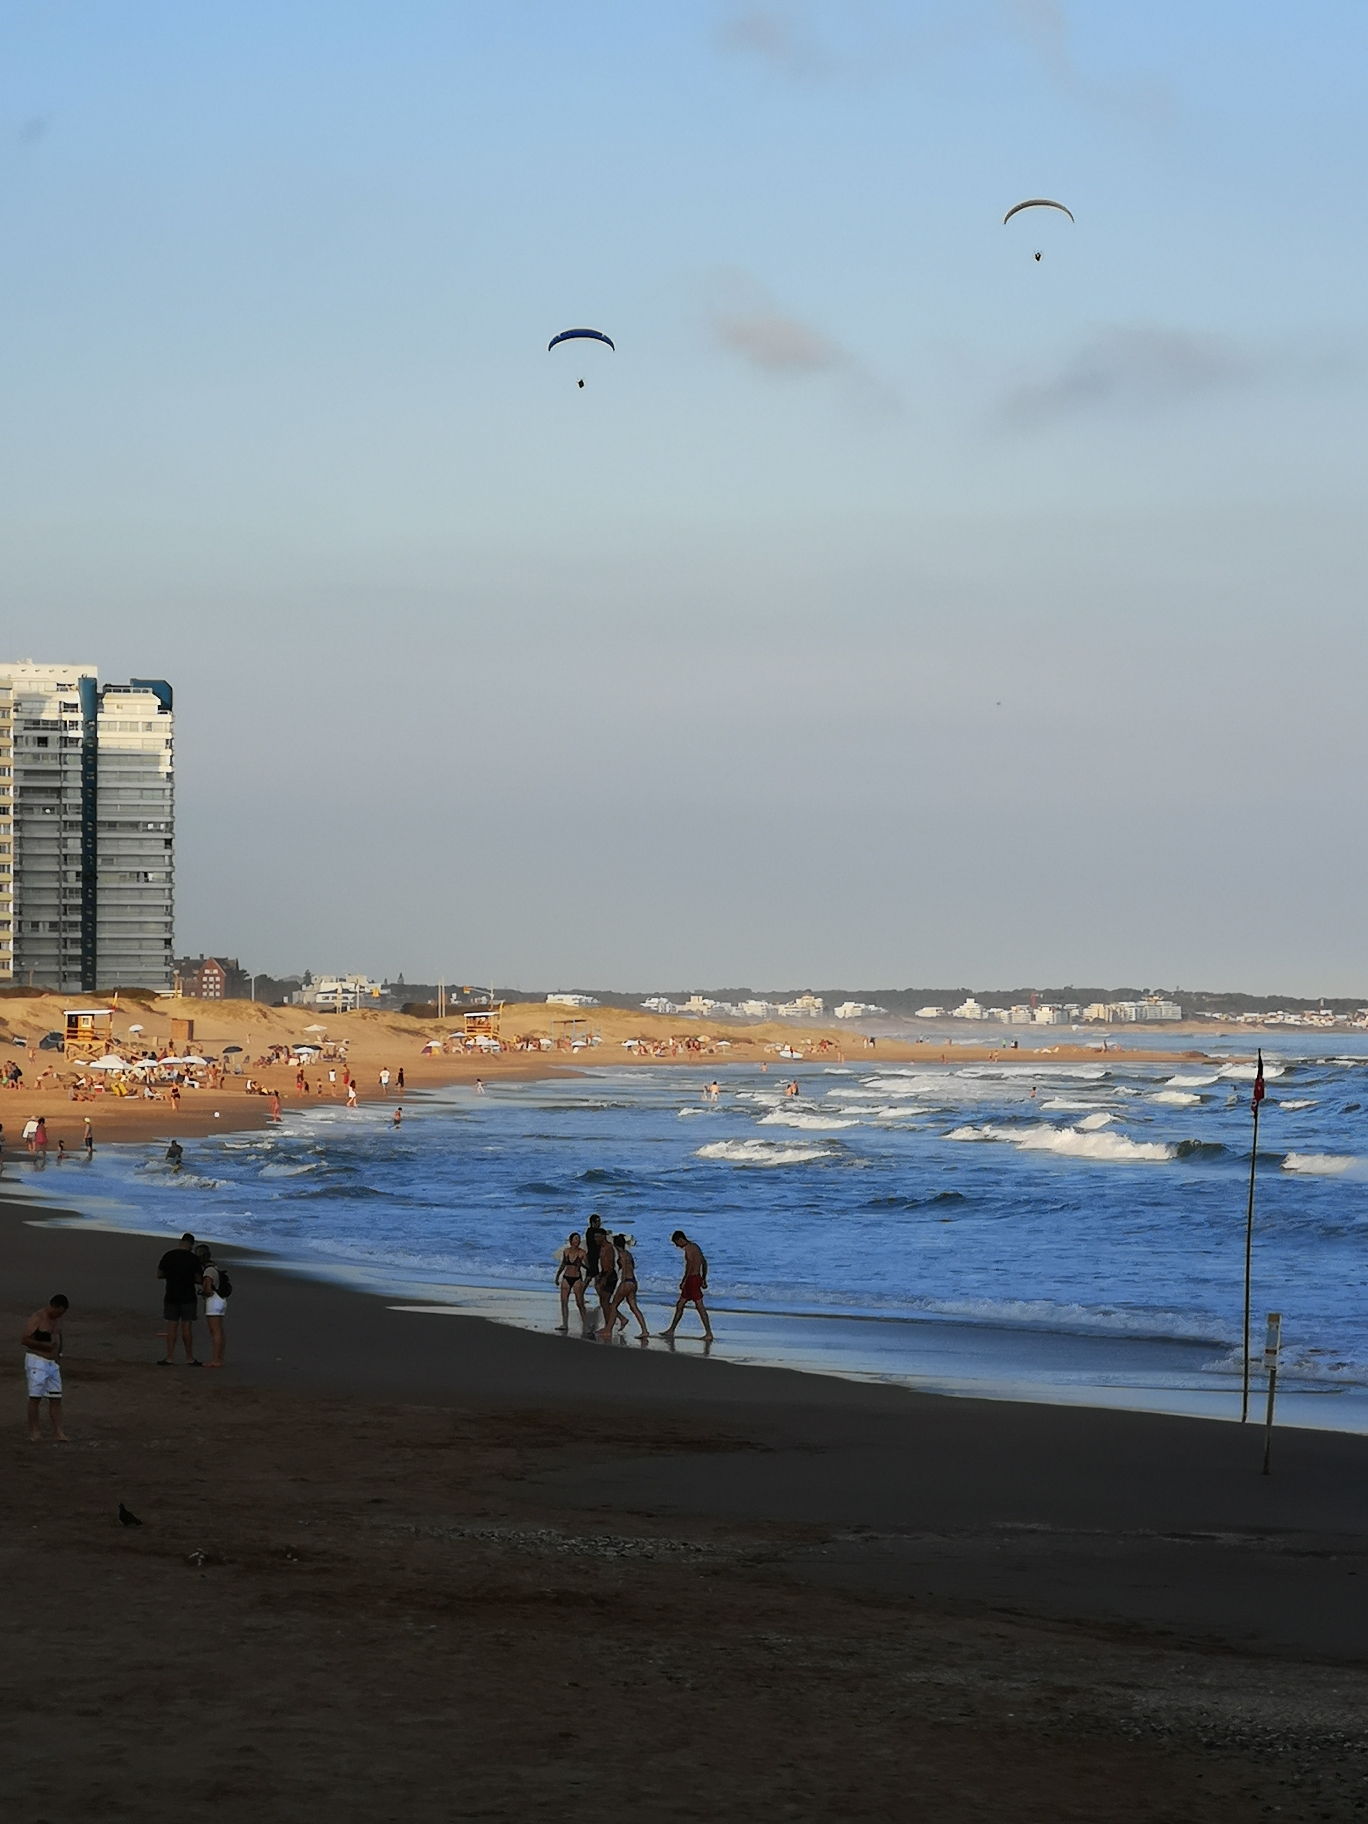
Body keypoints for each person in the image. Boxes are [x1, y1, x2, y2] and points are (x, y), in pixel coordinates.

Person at [23, 1295, 69, 1441]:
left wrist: (59, 1355)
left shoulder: (57, 1320)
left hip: (52, 1364)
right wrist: (44, 1346)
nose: (59, 1316)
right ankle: (34, 1431)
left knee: (56, 1399)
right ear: (53, 1307)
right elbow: (25, 1339)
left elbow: (59, 1338)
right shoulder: (38, 1318)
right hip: (37, 1361)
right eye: (58, 1312)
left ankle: (58, 1432)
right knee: (35, 1398)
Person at [157, 1232, 201, 1365]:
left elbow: (159, 1274)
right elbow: (198, 1278)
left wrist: (171, 1276)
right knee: (187, 1328)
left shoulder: (168, 1255)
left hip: (171, 1294)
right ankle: (189, 1357)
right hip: (188, 1296)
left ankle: (170, 1357)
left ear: (181, 1242)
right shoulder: (193, 1259)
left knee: (171, 1327)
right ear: (191, 1245)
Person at [662, 1230, 712, 1340]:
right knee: (680, 1304)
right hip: (697, 1278)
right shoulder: (695, 1246)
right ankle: (671, 1330)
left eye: (676, 1243)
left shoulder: (688, 1249)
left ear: (680, 1240)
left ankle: (709, 1333)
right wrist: (704, 1278)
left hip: (692, 1280)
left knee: (699, 1306)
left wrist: (684, 1280)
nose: (677, 1246)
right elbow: (704, 1262)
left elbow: (689, 1266)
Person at [604, 1234, 649, 1340]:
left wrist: (621, 1283)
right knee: (634, 1307)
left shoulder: (621, 1254)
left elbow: (623, 1269)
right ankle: (644, 1330)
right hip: (633, 1281)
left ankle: (609, 1329)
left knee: (613, 1305)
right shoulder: (628, 1254)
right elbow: (632, 1267)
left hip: (626, 1282)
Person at [196, 1245, 228, 1369]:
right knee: (219, 1331)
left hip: (213, 1301)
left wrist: (202, 1292)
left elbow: (208, 1289)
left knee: (214, 1331)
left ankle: (215, 1359)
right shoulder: (214, 1268)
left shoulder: (208, 1271)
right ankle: (220, 1358)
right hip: (221, 1300)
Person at [554, 1232, 589, 1331]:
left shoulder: (582, 1253)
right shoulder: (566, 1251)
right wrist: (557, 1276)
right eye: (575, 1239)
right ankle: (564, 1324)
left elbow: (588, 1267)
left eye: (578, 1239)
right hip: (566, 1277)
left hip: (577, 1278)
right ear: (571, 1240)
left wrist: (582, 1265)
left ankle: (586, 1324)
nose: (577, 1241)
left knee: (580, 1303)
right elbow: (563, 1264)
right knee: (564, 1302)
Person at [591, 1224, 617, 1335]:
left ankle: (608, 1327)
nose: (596, 1239)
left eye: (598, 1237)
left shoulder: (608, 1247)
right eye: (595, 1237)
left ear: (603, 1236)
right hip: (604, 1274)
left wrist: (605, 1278)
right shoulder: (601, 1248)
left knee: (605, 1302)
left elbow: (610, 1265)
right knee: (603, 1301)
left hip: (609, 1275)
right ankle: (608, 1326)